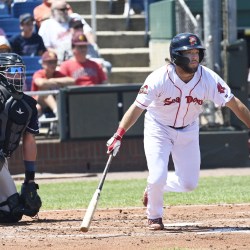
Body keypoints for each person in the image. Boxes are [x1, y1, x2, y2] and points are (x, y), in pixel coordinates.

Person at [106, 33, 250, 230]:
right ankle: (154, 216)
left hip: (189, 129)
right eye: (188, 53)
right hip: (159, 128)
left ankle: (154, 188)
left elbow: (234, 104)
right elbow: (137, 107)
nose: (194, 57)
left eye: (196, 52)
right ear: (175, 56)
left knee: (189, 184)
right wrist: (118, 134)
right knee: (157, 175)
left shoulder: (207, 78)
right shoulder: (158, 78)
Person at [0, 53, 42, 223]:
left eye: (21, 71)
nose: (18, 75)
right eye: (13, 71)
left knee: (12, 212)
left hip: (2, 161)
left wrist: (29, 180)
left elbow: (30, 141)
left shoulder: (29, 105)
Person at [31, 50, 74, 118]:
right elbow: (41, 83)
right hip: (38, 103)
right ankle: (58, 112)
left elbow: (72, 81)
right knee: (44, 90)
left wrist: (52, 80)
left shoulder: (58, 74)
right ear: (43, 63)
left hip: (56, 100)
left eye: (54, 62)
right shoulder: (39, 73)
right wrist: (58, 82)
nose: (53, 65)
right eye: (49, 62)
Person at [38, 0, 73, 64]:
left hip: (75, 55)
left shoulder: (74, 20)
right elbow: (45, 47)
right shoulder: (46, 25)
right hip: (56, 59)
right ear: (53, 11)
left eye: (66, 9)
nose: (65, 12)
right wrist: (60, 53)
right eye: (62, 10)